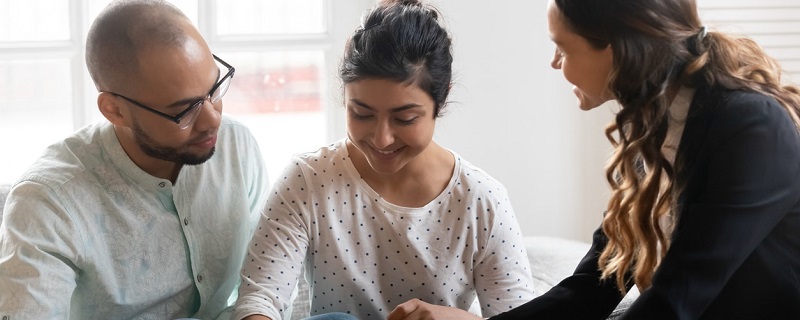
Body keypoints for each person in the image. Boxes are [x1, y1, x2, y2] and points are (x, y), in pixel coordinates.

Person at [389, 0, 800, 319]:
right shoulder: (654, 132)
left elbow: (677, 300)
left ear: (617, 49)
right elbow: (593, 287)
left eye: (562, 47)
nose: (554, 63)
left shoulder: (750, 126)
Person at [231, 1, 535, 320]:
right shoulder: (308, 179)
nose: (381, 139)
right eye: (362, 114)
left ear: (441, 97)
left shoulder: (482, 201)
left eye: (404, 118)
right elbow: (260, 297)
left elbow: (521, 315)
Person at [0, 1, 269, 319]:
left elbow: (266, 279)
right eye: (183, 110)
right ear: (114, 110)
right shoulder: (48, 202)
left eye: (214, 89)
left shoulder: (237, 145)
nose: (213, 120)